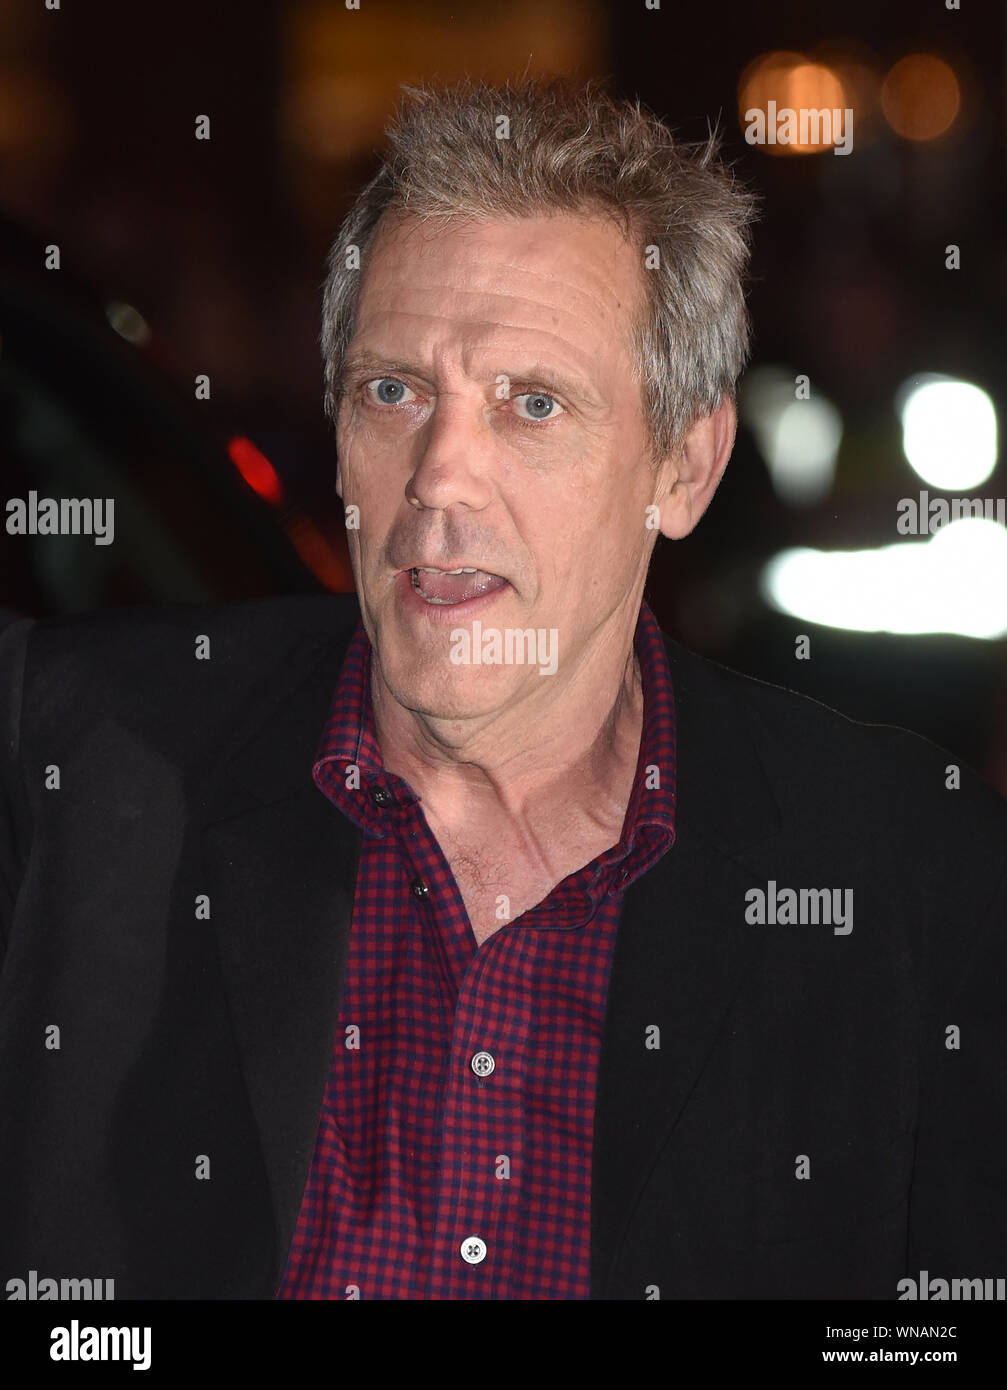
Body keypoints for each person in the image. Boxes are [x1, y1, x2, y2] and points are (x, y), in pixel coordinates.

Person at [1, 77, 1005, 1302]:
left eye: (532, 404)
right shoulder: (65, 762)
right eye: (393, 391)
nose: (441, 476)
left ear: (682, 467)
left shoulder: (909, 882)